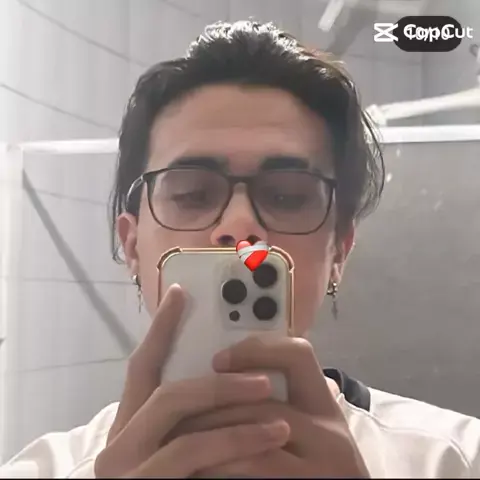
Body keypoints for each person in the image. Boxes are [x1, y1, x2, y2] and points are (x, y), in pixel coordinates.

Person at [2, 20, 480, 478]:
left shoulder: (455, 460)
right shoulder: (42, 471)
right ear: (132, 246)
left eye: (287, 196)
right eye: (192, 193)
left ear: (339, 250)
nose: (239, 228)